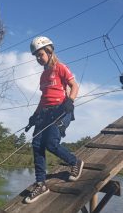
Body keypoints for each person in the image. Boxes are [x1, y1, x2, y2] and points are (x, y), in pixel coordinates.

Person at [24, 36, 83, 204]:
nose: (38, 58)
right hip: (45, 113)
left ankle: (75, 162)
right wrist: (34, 116)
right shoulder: (43, 76)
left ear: (49, 52)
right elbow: (44, 98)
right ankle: (41, 183)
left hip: (61, 110)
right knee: (36, 145)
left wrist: (70, 101)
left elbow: (74, 86)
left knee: (51, 143)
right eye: (35, 56)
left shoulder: (60, 67)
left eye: (40, 54)